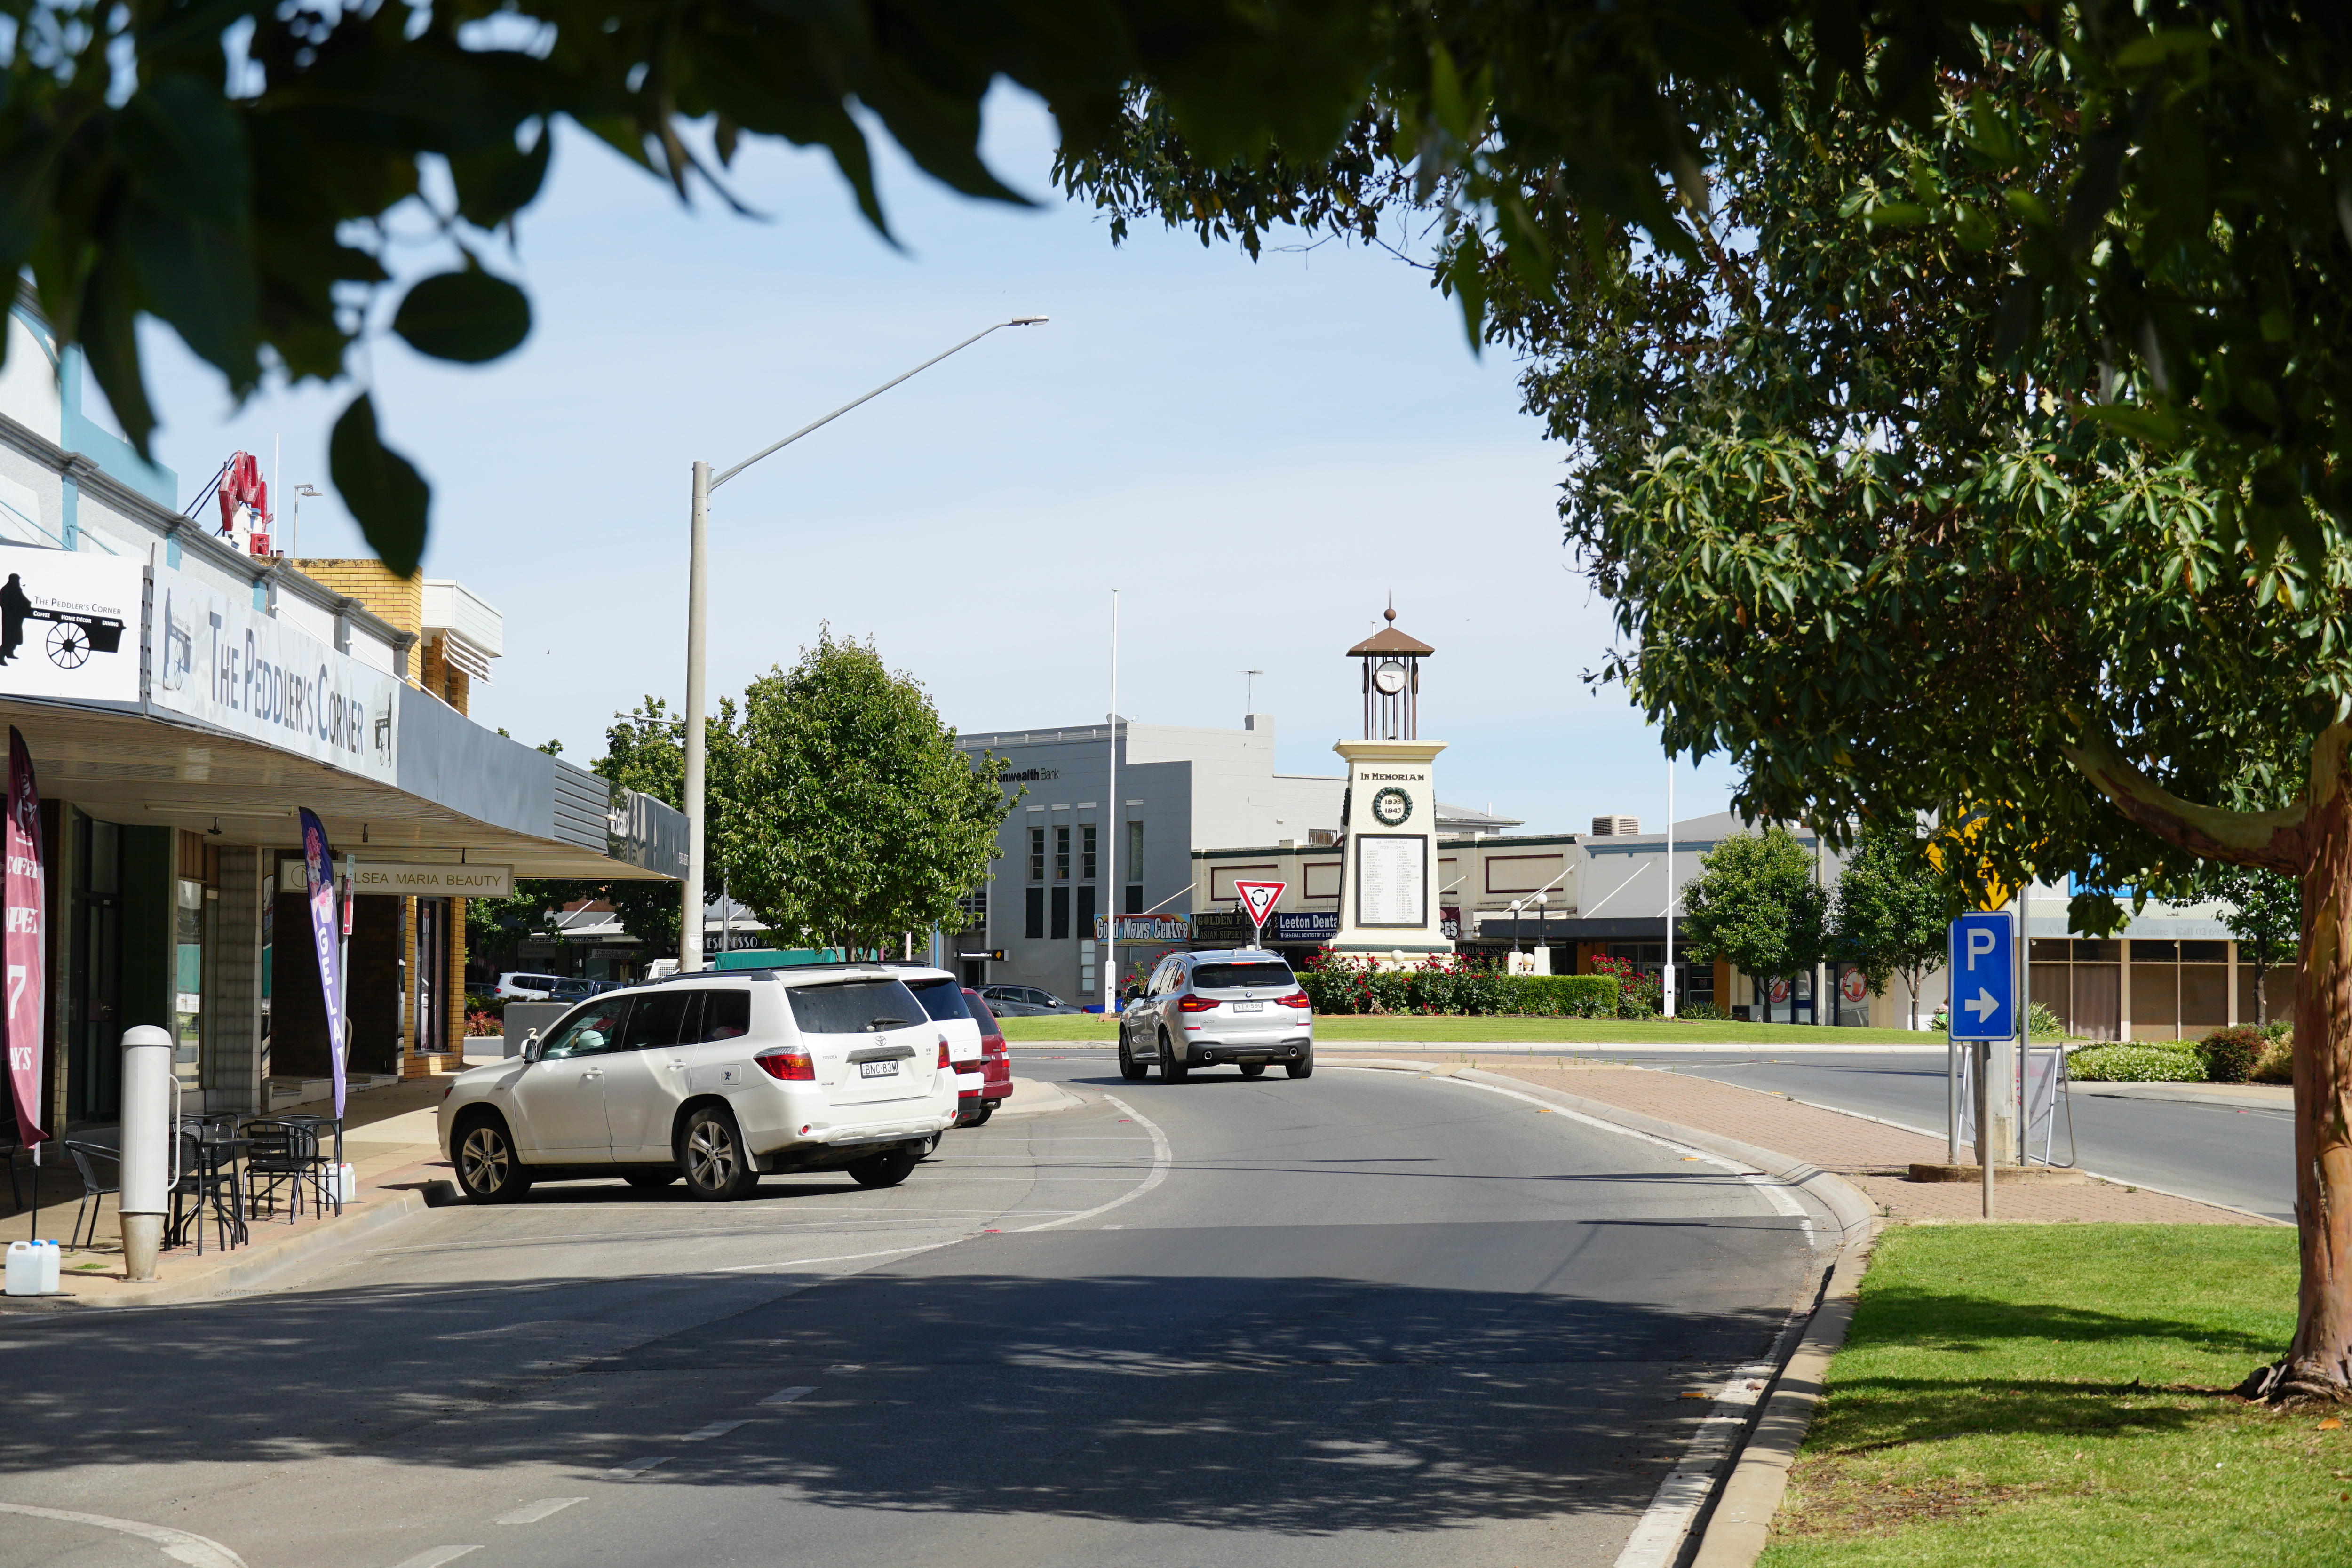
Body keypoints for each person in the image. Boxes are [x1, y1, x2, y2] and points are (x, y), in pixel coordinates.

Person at [0, 573, 28, 666]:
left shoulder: (15, 589)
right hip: (10, 620)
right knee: (8, 638)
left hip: (16, 619)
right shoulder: (8, 590)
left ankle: (10, 653)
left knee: (16, 637)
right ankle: (2, 657)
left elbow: (22, 599)